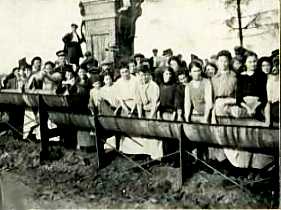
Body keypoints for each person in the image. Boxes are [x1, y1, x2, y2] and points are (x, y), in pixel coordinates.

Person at [236, 51, 267, 120]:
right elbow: (238, 97)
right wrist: (248, 108)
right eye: (250, 62)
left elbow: (264, 96)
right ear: (245, 63)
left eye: (254, 61)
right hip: (244, 105)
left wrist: (254, 108)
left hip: (258, 104)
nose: (253, 64)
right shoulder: (241, 76)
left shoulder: (262, 76)